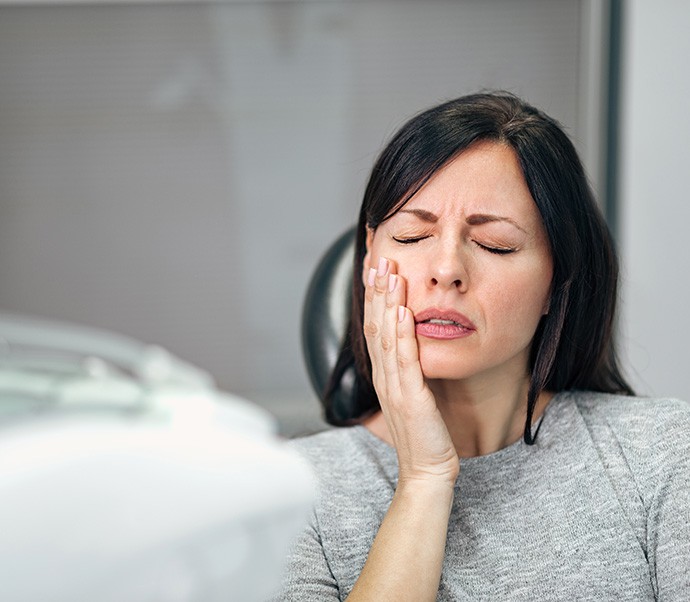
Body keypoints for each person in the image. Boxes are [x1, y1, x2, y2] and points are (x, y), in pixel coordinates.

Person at [275, 92, 690, 601]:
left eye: (495, 245)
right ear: (369, 260)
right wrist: (424, 481)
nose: (446, 270)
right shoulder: (286, 492)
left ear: (555, 283)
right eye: (409, 237)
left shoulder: (664, 456)